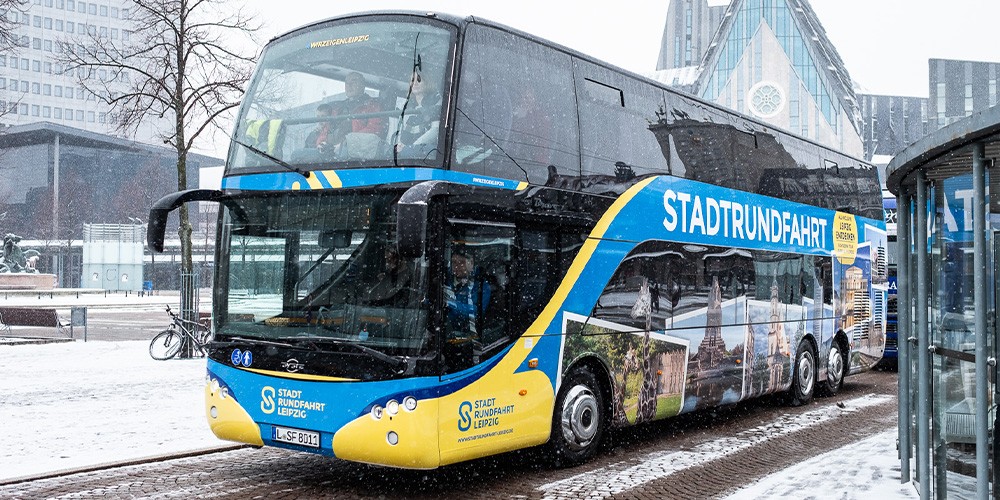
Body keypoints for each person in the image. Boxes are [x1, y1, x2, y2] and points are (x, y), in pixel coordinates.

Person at [327, 72, 384, 153]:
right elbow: (325, 129)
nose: (348, 85)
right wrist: (321, 143)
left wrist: (349, 141)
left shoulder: (373, 106)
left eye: (353, 81)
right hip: (332, 150)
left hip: (357, 152)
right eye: (346, 82)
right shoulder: (337, 107)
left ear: (363, 85)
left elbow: (375, 130)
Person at [394, 68, 442, 156]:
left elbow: (435, 130)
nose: (415, 83)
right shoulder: (408, 107)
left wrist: (412, 148)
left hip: (427, 154)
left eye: (419, 80)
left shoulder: (436, 101)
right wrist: (401, 146)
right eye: (412, 80)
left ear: (427, 82)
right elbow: (403, 133)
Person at [445, 249, 491, 337]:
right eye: (454, 262)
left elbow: (476, 311)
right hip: (444, 335)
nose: (457, 266)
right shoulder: (445, 281)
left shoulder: (481, 286)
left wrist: (450, 304)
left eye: (461, 262)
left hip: (472, 337)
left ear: (471, 263)